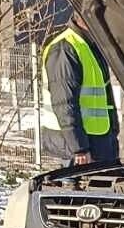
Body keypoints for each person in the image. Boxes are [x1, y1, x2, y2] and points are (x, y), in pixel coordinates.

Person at [41, 24, 118, 167]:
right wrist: (79, 148)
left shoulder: (88, 45)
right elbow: (64, 103)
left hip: (95, 144)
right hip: (74, 151)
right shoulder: (65, 48)